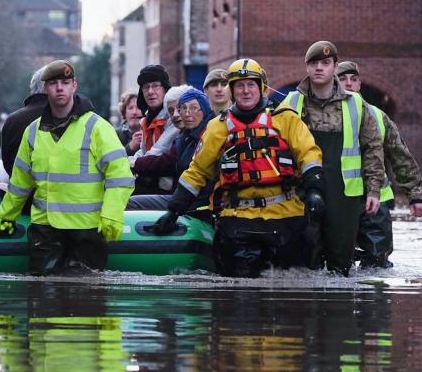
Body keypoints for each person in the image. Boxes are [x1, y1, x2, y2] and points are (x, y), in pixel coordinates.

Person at [153, 58, 324, 278]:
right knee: (239, 299)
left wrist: (314, 190)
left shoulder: (286, 119)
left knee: (293, 293)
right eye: (239, 85)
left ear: (261, 87)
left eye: (251, 84)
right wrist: (174, 210)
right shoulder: (217, 127)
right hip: (238, 219)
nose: (246, 91)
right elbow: (197, 172)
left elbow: (308, 154)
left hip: (286, 216)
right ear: (232, 90)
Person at [0, 60, 134, 275]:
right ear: (45, 89)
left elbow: (120, 176)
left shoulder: (97, 128)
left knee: (87, 301)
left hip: (86, 229)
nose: (60, 87)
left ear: (74, 86)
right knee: (41, 296)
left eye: (65, 82)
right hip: (45, 229)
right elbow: (20, 182)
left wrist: (112, 214)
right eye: (53, 83)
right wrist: (6, 216)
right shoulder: (32, 132)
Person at [280, 42, 384, 276]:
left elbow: (373, 148)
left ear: (335, 67)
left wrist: (374, 190)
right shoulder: (291, 103)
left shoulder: (356, 103)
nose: (319, 68)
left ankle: (340, 311)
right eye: (314, 63)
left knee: (341, 263)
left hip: (345, 195)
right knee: (304, 261)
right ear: (306, 67)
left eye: (325, 63)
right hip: (301, 191)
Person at [336, 60, 422, 267]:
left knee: (377, 263)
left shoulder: (378, 115)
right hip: (339, 200)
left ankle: (376, 299)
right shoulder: (325, 116)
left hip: (376, 201)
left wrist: (415, 195)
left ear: (359, 85)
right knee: (336, 264)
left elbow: (400, 156)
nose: (349, 84)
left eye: (353, 80)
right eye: (342, 79)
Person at [127, 87, 214, 211]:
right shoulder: (184, 136)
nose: (178, 115)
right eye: (172, 111)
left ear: (204, 109)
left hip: (194, 203)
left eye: (192, 108)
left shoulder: (206, 133)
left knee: (130, 202)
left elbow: (166, 161)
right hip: (180, 196)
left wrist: (131, 163)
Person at [1, 66, 48, 176]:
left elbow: (7, 161)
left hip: (20, 188)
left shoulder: (12, 120)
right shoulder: (65, 117)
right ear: (48, 87)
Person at [134, 64, 172, 194]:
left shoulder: (173, 118)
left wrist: (131, 163)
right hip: (150, 181)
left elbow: (159, 150)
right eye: (146, 87)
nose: (150, 91)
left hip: (168, 189)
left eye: (156, 85)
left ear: (165, 89)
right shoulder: (146, 120)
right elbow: (143, 151)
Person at [115, 92, 142, 156]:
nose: (134, 112)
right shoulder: (116, 135)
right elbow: (112, 160)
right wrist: (130, 148)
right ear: (124, 112)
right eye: (130, 108)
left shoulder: (151, 131)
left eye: (138, 108)